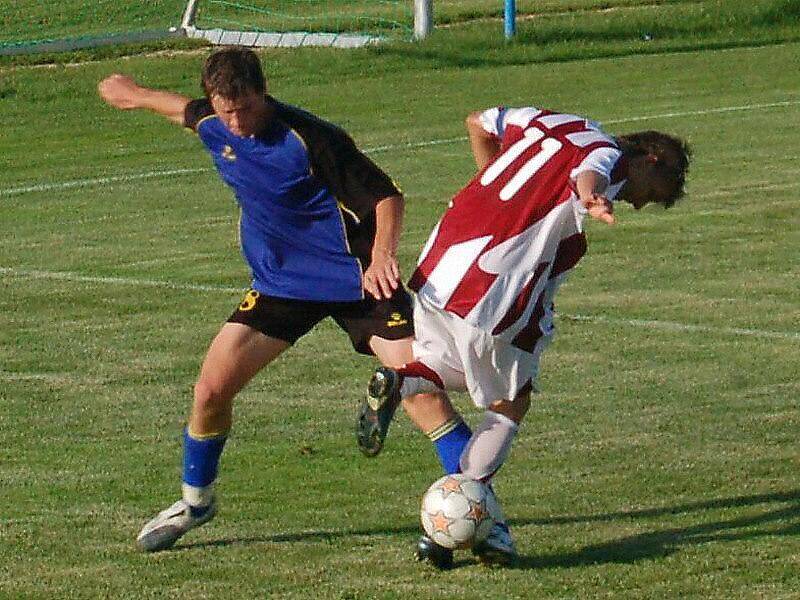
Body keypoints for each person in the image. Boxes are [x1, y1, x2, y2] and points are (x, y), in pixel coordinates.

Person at [97, 47, 415, 552]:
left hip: (353, 277)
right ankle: (196, 503)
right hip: (281, 285)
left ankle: (477, 503)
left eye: (246, 107)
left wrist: (381, 258)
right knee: (209, 392)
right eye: (226, 110)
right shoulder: (214, 123)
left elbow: (385, 196)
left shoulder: (310, 137)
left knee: (423, 378)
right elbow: (181, 109)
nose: (237, 121)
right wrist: (131, 94)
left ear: (263, 92)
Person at [357, 105, 691, 568]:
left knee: (444, 367)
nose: (638, 204)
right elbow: (591, 175)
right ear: (650, 159)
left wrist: (493, 182)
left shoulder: (557, 120)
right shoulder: (607, 154)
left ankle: (402, 381)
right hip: (496, 284)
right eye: (650, 194)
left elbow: (477, 121)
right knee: (510, 403)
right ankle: (453, 519)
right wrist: (594, 199)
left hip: (443, 261)